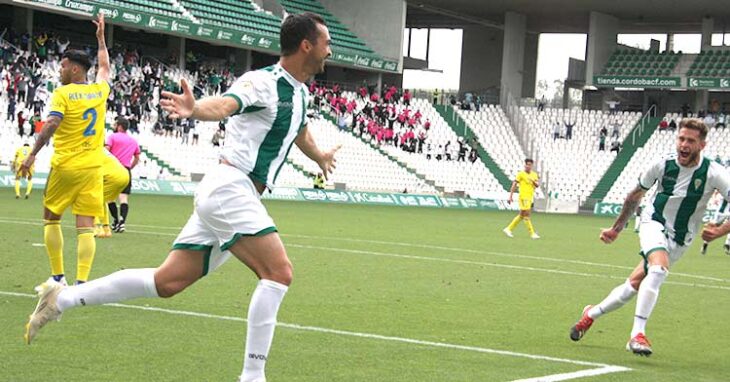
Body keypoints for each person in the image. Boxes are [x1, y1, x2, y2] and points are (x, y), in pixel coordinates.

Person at [25, 12, 340, 382]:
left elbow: (298, 130)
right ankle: (253, 377)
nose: (329, 50)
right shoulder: (262, 81)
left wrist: (318, 156)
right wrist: (195, 110)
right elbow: (225, 105)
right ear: (307, 45)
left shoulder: (300, 92)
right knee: (278, 272)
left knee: (167, 283)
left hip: (235, 195)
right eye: (326, 42)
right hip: (230, 188)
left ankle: (59, 299)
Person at [569, 119, 730, 356]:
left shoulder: (715, 173)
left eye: (690, 141)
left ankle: (590, 314)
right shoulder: (662, 164)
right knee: (657, 270)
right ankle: (637, 335)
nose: (683, 145)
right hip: (653, 222)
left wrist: (719, 231)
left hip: (681, 238)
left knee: (633, 285)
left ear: (702, 145)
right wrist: (617, 228)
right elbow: (634, 196)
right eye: (681, 139)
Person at [18, 14, 111, 287]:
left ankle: (58, 276)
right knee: (85, 226)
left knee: (51, 218)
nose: (59, 70)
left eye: (62, 65)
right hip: (93, 168)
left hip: (66, 166)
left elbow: (52, 123)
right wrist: (101, 40)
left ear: (74, 70)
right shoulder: (99, 91)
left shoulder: (63, 93)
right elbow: (104, 67)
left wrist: (33, 153)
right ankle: (82, 283)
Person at [105, 116, 140, 233]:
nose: (114, 126)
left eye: (115, 124)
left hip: (113, 169)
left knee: (109, 197)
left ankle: (115, 220)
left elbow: (105, 151)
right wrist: (130, 167)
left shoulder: (112, 137)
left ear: (119, 126)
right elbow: (137, 157)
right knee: (123, 198)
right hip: (126, 170)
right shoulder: (133, 141)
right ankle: (122, 221)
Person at [95, 149, 131, 238]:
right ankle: (106, 229)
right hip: (124, 174)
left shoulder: (89, 150)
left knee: (91, 199)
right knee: (102, 199)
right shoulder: (100, 148)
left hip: (112, 176)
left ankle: (96, 227)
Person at [503, 158, 540, 239]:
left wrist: (533, 181)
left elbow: (537, 185)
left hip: (530, 197)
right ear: (525, 165)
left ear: (532, 166)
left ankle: (508, 229)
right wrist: (510, 196)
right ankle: (532, 233)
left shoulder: (534, 175)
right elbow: (514, 184)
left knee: (522, 215)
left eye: (530, 165)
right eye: (527, 164)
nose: (528, 166)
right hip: (523, 197)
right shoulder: (521, 174)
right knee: (527, 214)